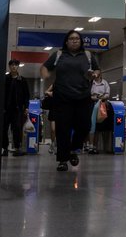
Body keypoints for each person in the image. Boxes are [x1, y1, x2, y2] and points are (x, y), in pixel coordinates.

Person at [40, 31, 98, 172]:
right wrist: (45, 74)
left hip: (83, 97)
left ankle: (73, 149)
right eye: (71, 38)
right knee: (62, 129)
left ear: (81, 41)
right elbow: (45, 67)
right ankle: (62, 160)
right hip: (63, 97)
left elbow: (97, 70)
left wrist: (95, 74)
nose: (74, 41)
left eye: (77, 38)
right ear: (66, 42)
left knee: (85, 126)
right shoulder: (59, 54)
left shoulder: (88, 55)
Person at [2, 59, 30, 157]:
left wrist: (26, 107)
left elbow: (27, 95)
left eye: (16, 65)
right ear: (9, 66)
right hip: (6, 109)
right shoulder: (5, 79)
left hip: (17, 109)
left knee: (17, 129)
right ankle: (5, 148)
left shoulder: (22, 80)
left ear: (18, 67)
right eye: (12, 65)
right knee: (4, 129)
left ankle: (17, 148)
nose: (14, 67)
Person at [85, 68, 111, 154]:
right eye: (94, 71)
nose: (95, 73)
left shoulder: (105, 83)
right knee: (92, 124)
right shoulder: (90, 83)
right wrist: (94, 97)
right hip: (92, 105)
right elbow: (88, 94)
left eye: (96, 71)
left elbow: (107, 94)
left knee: (99, 126)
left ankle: (95, 146)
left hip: (102, 105)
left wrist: (101, 97)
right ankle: (90, 145)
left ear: (100, 73)